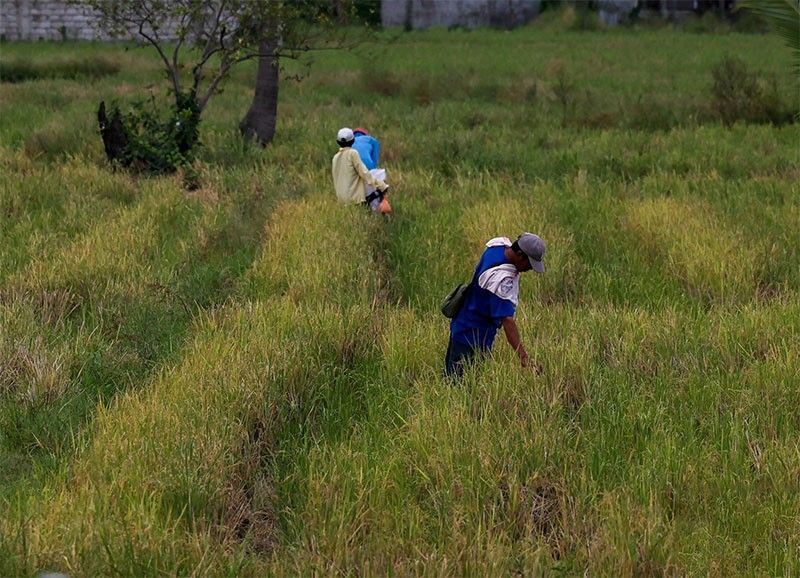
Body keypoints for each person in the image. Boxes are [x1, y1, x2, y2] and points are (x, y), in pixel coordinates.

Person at [444, 233, 546, 379]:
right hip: (472, 337)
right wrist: (523, 357)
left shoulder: (497, 248)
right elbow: (508, 321)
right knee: (461, 385)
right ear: (519, 254)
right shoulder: (501, 279)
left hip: (462, 325)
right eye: (529, 264)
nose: (529, 269)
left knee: (454, 378)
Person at [331, 127, 390, 213]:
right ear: (353, 141)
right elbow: (365, 173)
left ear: (338, 142)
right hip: (355, 200)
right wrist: (382, 186)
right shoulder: (353, 153)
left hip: (342, 200)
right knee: (376, 188)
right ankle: (378, 214)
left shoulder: (335, 158)